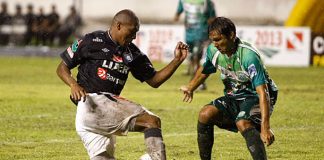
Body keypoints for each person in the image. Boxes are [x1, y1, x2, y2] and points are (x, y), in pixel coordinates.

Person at [56, 9, 188, 160]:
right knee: (151, 121)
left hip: (99, 115)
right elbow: (62, 67)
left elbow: (154, 80)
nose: (134, 36)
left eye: (137, 32)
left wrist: (176, 61)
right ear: (118, 25)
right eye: (132, 31)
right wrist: (73, 84)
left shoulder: (132, 53)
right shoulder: (91, 41)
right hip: (91, 104)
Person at [180, 17, 278, 160]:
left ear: (231, 35)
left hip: (257, 96)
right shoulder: (213, 50)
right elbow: (206, 69)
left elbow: (263, 92)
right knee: (205, 114)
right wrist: (191, 87)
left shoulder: (248, 56)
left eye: (218, 39)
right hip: (235, 96)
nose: (215, 44)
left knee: (242, 122)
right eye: (213, 40)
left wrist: (266, 127)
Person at [174, 0, 216, 90]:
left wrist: (210, 28)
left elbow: (213, 18)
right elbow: (178, 11)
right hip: (189, 34)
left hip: (201, 32)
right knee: (193, 57)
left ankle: (197, 82)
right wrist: (176, 16)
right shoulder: (183, 1)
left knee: (197, 56)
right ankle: (198, 81)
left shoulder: (206, 2)